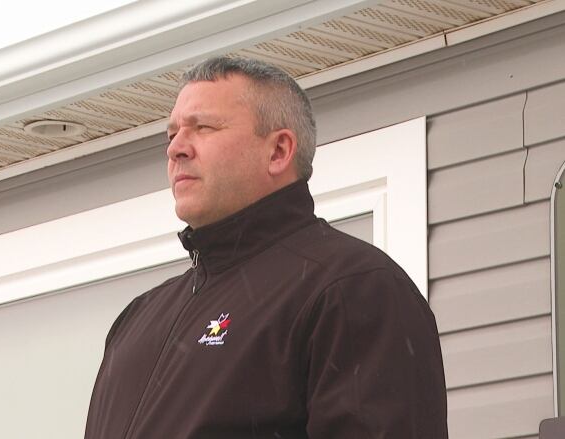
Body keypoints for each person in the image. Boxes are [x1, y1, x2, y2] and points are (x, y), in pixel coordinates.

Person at [84, 56, 448, 438]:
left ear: (278, 151)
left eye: (203, 127)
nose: (176, 149)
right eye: (171, 134)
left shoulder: (351, 288)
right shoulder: (137, 320)